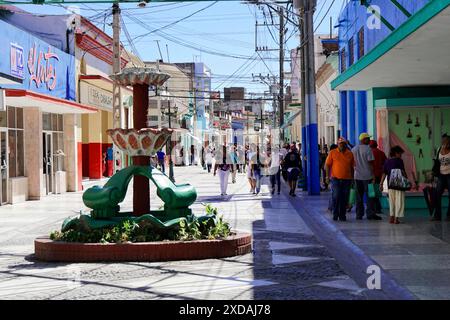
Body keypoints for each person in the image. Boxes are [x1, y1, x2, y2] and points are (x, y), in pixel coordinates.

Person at [352, 133, 381, 220]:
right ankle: (370, 214)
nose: (369, 140)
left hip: (357, 176)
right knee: (370, 196)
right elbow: (371, 163)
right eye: (368, 138)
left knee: (359, 197)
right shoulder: (368, 149)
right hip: (368, 176)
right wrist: (373, 176)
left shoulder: (354, 149)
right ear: (363, 139)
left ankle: (359, 214)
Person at [325, 137, 355, 221]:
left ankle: (342, 215)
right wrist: (327, 177)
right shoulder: (332, 153)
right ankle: (335, 213)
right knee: (336, 196)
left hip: (347, 179)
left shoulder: (350, 154)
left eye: (343, 144)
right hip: (335, 179)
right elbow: (327, 165)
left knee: (344, 198)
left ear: (346, 145)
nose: (342, 145)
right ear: (338, 144)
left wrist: (352, 179)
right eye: (340, 144)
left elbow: (352, 167)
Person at [380, 146, 407, 224]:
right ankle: (396, 219)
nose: (401, 155)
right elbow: (403, 172)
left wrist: (381, 184)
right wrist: (407, 180)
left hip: (390, 184)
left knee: (391, 201)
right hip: (399, 184)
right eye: (400, 153)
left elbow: (384, 173)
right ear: (396, 153)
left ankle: (391, 217)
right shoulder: (399, 161)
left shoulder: (387, 161)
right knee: (399, 200)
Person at [432, 135, 450, 221]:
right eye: (443, 140)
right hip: (441, 175)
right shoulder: (439, 148)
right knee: (437, 194)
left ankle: (449, 214)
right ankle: (437, 215)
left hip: (449, 175)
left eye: (445, 140)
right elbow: (437, 161)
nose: (443, 142)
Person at [369, 140, 387, 214]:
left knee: (371, 192)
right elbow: (385, 162)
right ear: (376, 145)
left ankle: (373, 208)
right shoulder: (381, 153)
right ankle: (378, 208)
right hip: (379, 174)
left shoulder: (369, 153)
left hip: (371, 175)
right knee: (377, 191)